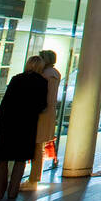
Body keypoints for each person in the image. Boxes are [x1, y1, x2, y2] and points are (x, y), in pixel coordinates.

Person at [0, 56, 47, 200]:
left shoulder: (16, 79)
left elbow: (6, 101)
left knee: (3, 160)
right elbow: (42, 105)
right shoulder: (41, 82)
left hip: (8, 123)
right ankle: (12, 192)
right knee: (20, 160)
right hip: (26, 125)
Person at [25, 49, 61, 187]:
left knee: (37, 146)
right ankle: (33, 178)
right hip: (47, 113)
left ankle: (33, 179)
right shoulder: (54, 74)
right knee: (38, 146)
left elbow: (43, 97)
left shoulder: (46, 76)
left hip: (41, 114)